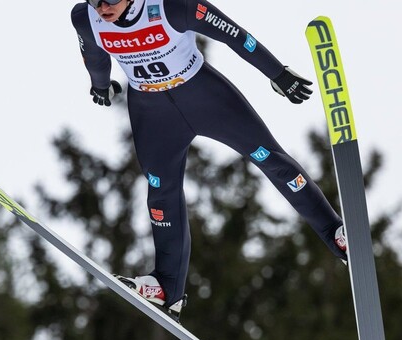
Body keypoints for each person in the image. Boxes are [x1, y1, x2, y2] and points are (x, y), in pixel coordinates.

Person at [71, 0, 347, 322]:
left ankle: (336, 233)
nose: (103, 8)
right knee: (161, 191)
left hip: (205, 97)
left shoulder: (173, 6)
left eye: (110, 0)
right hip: (153, 113)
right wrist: (100, 86)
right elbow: (94, 53)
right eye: (95, 0)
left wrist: (278, 73)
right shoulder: (85, 17)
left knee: (270, 158)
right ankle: (167, 287)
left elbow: (234, 35)